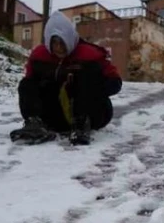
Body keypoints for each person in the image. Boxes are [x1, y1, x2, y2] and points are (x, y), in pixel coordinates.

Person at [9, 12, 122, 146]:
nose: (59, 48)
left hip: (92, 114)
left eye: (62, 42)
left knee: (84, 77)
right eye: (54, 43)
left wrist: (88, 89)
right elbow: (29, 86)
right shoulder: (39, 56)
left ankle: (81, 125)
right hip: (54, 116)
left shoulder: (89, 54)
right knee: (27, 83)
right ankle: (35, 123)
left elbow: (115, 83)